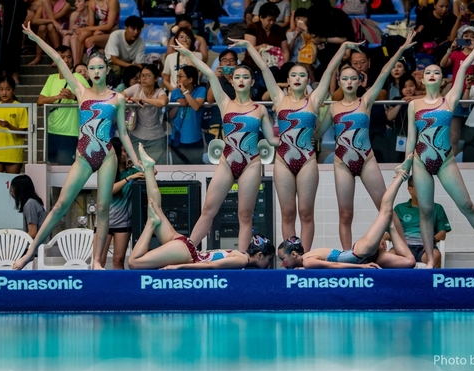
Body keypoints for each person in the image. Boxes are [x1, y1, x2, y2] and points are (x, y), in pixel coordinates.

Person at [13, 22, 143, 271]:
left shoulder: (117, 98)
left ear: (106, 69)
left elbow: (124, 134)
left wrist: (136, 161)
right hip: (83, 155)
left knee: (103, 208)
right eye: (92, 68)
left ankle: (97, 261)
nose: (95, 71)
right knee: (60, 205)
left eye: (100, 67)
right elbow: (57, 59)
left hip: (107, 155)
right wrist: (36, 39)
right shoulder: (81, 91)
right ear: (88, 72)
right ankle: (30, 253)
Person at [232, 38, 364, 251]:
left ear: (308, 80)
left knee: (305, 213)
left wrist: (342, 48)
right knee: (287, 213)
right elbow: (264, 69)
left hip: (307, 160)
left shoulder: (314, 100)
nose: (297, 78)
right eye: (293, 75)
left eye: (302, 75)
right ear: (287, 80)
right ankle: (290, 255)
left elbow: (329, 70)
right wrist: (249, 47)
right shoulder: (279, 99)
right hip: (283, 161)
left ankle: (304, 257)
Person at [404, 40, 474, 268]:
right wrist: (405, 164)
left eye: (436, 72)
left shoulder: (449, 100)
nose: (432, 74)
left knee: (467, 205)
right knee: (426, 211)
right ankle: (431, 259)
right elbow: (411, 139)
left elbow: (462, 68)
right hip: (420, 161)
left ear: (442, 79)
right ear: (422, 79)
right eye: (428, 72)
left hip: (444, 160)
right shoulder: (414, 105)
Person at [314, 31, 416, 250]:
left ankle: (405, 251)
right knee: (345, 214)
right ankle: (347, 255)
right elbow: (316, 135)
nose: (349, 82)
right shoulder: (333, 107)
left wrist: (401, 49)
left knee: (385, 207)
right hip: (342, 163)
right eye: (345, 78)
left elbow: (385, 71)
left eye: (353, 78)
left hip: (366, 159)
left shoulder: (366, 101)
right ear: (339, 81)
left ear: (360, 80)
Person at [173, 39, 278, 251]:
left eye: (245, 77)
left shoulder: (260, 109)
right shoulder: (224, 103)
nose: (241, 80)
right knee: (208, 209)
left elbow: (273, 140)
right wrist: (190, 54)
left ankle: (241, 257)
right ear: (232, 81)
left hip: (251, 163)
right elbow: (210, 74)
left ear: (251, 82)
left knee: (245, 215)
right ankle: (188, 250)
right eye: (237, 77)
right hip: (227, 161)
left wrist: (297, 137)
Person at [128, 149, 275, 270]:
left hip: (186, 247)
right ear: (260, 255)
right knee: (134, 263)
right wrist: (180, 267)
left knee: (156, 207)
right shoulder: (242, 260)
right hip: (186, 254)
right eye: (268, 260)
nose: (268, 265)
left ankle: (148, 169)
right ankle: (151, 223)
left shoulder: (238, 253)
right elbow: (211, 266)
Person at [277, 161, 416, 269]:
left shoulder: (308, 261)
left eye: (283, 259)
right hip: (365, 258)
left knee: (386, 210)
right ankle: (390, 226)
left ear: (294, 254)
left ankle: (400, 175)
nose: (283, 264)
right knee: (410, 262)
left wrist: (361, 267)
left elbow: (335, 265)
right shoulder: (307, 260)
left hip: (362, 252)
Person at [96, 138, 146, 269]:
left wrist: (138, 164)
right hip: (104, 222)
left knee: (118, 260)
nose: (124, 154)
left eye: (125, 151)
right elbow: (109, 190)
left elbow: (153, 172)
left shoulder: (131, 171)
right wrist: (128, 179)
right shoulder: (106, 170)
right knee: (99, 260)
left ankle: (118, 282)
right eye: (121, 151)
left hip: (123, 222)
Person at [38, 44, 90, 165]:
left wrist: (73, 97)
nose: (66, 60)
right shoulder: (52, 78)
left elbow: (90, 99)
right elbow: (40, 101)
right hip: (51, 130)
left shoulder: (77, 77)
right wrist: (57, 97)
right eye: (62, 57)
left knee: (65, 168)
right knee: (51, 168)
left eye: (69, 57)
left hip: (69, 132)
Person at [391, 175, 451, 268]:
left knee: (436, 256)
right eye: (420, 186)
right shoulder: (399, 208)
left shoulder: (437, 208)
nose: (424, 189)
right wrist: (381, 239)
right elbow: (392, 231)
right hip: (404, 247)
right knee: (388, 257)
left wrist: (431, 240)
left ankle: (433, 278)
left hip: (425, 249)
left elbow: (442, 234)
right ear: (410, 189)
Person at [440, 26, 474, 156]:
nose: (469, 39)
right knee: (453, 136)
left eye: (472, 37)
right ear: (461, 39)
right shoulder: (456, 54)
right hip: (457, 97)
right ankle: (452, 160)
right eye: (466, 36)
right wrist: (450, 49)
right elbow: (442, 64)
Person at [0, 174, 48, 266]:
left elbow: (32, 233)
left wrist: (15, 244)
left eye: (12, 188)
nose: (11, 191)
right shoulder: (35, 203)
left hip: (31, 249)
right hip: (34, 247)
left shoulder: (30, 204)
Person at [123, 63, 169, 164]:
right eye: (142, 75)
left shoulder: (159, 91)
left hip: (156, 139)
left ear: (156, 78)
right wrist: (130, 99)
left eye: (148, 75)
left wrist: (143, 100)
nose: (144, 78)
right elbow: (118, 96)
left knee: (157, 169)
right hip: (136, 137)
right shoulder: (136, 88)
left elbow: (163, 102)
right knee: (137, 168)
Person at [0, 76, 29, 174]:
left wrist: (9, 126)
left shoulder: (20, 107)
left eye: (8, 89)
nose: (4, 93)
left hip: (13, 154)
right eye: (1, 89)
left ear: (13, 90)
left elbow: (22, 134)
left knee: (12, 182)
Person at [168, 65, 207, 165]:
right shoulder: (175, 92)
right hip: (177, 138)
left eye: (181, 76)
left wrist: (185, 92)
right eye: (177, 76)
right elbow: (170, 116)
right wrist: (177, 104)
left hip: (194, 138)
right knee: (178, 169)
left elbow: (196, 106)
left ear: (190, 79)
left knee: (196, 167)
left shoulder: (200, 90)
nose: (178, 79)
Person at [0, 0, 29, 85]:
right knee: (1, 46)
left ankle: (15, 76)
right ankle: (4, 77)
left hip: (15, 16)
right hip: (2, 14)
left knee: (14, 45)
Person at [27, 0, 71, 65]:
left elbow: (53, 17)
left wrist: (47, 5)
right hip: (46, 38)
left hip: (59, 34)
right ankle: (38, 57)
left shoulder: (66, 5)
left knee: (50, 26)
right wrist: (52, 21)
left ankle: (58, 55)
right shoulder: (44, 3)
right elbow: (34, 21)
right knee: (42, 27)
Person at [162, 27, 202, 93]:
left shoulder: (198, 56)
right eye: (181, 37)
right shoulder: (170, 57)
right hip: (175, 93)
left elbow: (192, 73)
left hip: (191, 93)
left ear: (192, 40)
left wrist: (187, 52)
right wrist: (175, 92)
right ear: (176, 40)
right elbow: (165, 80)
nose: (184, 40)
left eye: (188, 37)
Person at [61, 0, 90, 66]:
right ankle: (64, 61)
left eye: (79, 1)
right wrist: (73, 29)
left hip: (86, 37)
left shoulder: (91, 15)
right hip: (76, 36)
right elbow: (71, 31)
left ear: (86, 3)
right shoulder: (74, 15)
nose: (75, 3)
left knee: (73, 37)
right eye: (75, 1)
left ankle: (76, 64)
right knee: (67, 37)